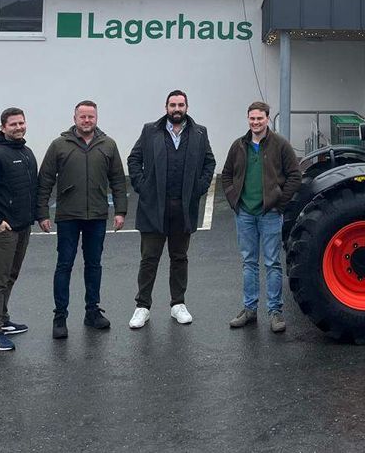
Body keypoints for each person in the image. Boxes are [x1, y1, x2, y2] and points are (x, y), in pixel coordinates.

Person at [36, 100, 128, 340]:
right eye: (83, 117)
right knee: (64, 265)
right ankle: (60, 317)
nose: (87, 121)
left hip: (96, 216)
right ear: (75, 118)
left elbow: (118, 180)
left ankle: (92, 311)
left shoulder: (108, 145)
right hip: (68, 216)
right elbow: (45, 180)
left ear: (96, 118)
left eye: (91, 117)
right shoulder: (59, 145)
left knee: (94, 265)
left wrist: (120, 211)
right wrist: (42, 213)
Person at [126, 90, 215, 329]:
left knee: (179, 258)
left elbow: (209, 162)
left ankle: (178, 304)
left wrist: (200, 187)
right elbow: (134, 159)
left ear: (187, 107)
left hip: (183, 208)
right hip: (153, 208)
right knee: (149, 259)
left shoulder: (199, 133)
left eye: (181, 105)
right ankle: (142, 307)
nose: (177, 109)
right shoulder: (150, 131)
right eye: (173, 105)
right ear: (166, 107)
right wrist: (143, 186)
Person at [221, 100, 302, 333]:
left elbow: (295, 175)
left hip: (270, 214)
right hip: (245, 214)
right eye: (252, 118)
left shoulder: (280, 145)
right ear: (248, 119)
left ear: (267, 119)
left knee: (272, 263)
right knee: (249, 263)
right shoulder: (239, 145)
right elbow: (226, 175)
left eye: (260, 118)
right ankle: (249, 309)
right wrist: (234, 200)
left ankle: (275, 311)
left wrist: (280, 204)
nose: (255, 122)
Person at [0, 107, 39, 352]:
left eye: (21, 123)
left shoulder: (26, 152)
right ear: (3, 127)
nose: (19, 127)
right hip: (4, 229)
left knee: (11, 275)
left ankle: (2, 319)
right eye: (13, 124)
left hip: (22, 226)